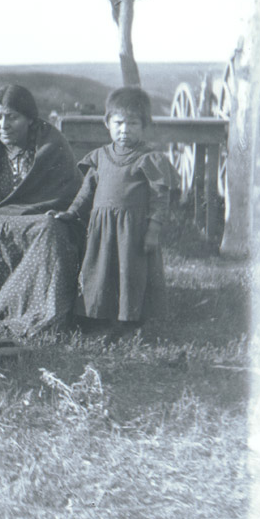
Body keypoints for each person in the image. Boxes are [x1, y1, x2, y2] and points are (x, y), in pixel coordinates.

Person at [0, 84, 83, 335]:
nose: (3, 125)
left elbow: (68, 196)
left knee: (49, 228)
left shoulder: (51, 146)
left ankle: (36, 311)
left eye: (12, 117)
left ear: (29, 119)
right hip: (2, 219)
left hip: (41, 221)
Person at [50, 87, 176, 338]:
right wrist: (72, 213)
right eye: (119, 123)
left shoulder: (149, 158)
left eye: (133, 123)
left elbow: (160, 197)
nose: (125, 129)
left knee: (131, 274)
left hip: (134, 231)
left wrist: (153, 229)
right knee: (100, 272)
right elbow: (87, 192)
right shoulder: (100, 157)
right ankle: (97, 319)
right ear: (107, 123)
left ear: (145, 126)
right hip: (102, 231)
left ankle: (129, 322)